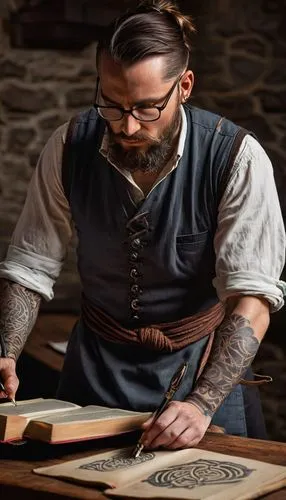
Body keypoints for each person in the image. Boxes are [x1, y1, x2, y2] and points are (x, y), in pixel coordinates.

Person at [0, 0, 285, 450]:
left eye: (147, 108)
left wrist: (201, 403)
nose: (127, 125)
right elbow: (30, 267)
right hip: (92, 371)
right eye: (111, 105)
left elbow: (252, 299)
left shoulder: (237, 158)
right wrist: (6, 353)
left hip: (199, 375)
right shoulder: (68, 146)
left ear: (185, 85)